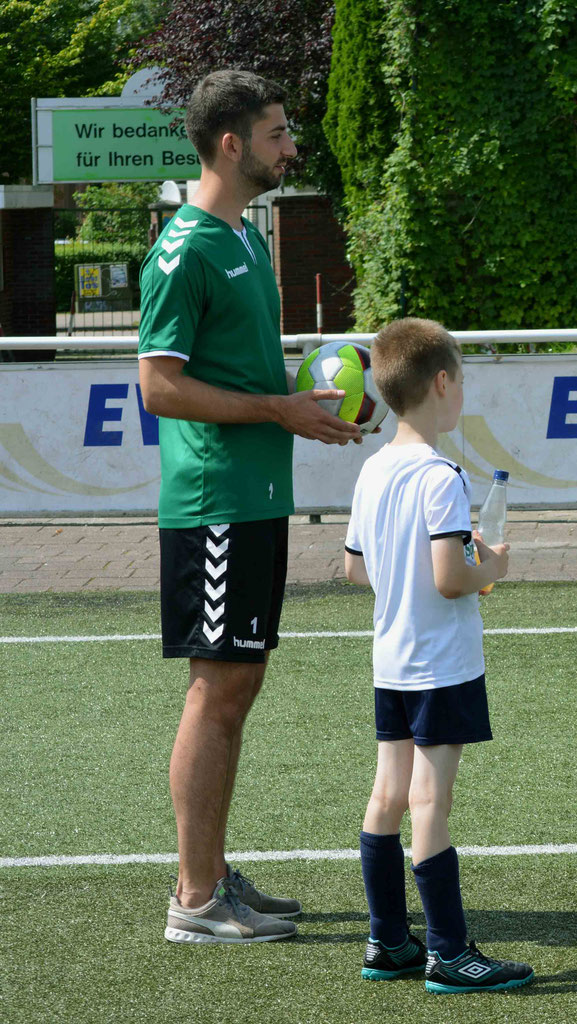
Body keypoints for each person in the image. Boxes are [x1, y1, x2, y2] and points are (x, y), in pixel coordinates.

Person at [141, 69, 361, 944]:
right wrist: (278, 410)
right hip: (215, 503)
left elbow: (236, 370)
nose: (289, 146)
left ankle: (211, 871)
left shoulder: (241, 239)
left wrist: (311, 398)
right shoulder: (186, 247)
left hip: (254, 494)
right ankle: (195, 900)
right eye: (275, 134)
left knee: (238, 683)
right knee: (218, 689)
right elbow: (160, 387)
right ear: (230, 144)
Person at [343, 317, 534, 992]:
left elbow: (354, 569)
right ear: (443, 383)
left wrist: (438, 564)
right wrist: (495, 568)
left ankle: (387, 940)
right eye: (463, 382)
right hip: (440, 664)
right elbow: (452, 576)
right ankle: (449, 952)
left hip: (390, 658)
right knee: (430, 802)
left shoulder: (373, 470)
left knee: (386, 795)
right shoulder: (441, 474)